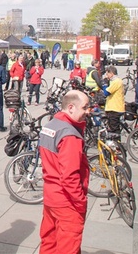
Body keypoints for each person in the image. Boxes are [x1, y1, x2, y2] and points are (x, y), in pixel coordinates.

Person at [38, 90, 90, 254]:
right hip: (67, 200)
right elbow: (69, 176)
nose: (88, 112)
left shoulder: (51, 125)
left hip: (51, 195)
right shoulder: (69, 136)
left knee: (49, 242)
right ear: (71, 107)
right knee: (68, 247)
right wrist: (80, 201)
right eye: (85, 107)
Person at [101, 66, 125, 139]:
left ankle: (117, 145)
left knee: (114, 129)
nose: (106, 75)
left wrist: (104, 84)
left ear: (111, 73)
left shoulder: (116, 81)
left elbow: (106, 92)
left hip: (115, 108)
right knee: (113, 127)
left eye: (107, 74)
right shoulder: (114, 81)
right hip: (113, 107)